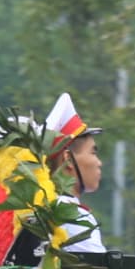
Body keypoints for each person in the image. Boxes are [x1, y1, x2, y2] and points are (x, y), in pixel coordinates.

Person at [44, 93, 105, 255]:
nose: (99, 162)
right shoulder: (72, 216)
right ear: (68, 160)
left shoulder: (44, 208)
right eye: (93, 153)